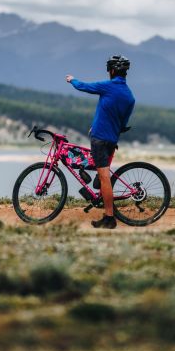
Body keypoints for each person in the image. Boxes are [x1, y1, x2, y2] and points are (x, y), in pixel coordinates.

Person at [66, 55, 135, 229]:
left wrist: (72, 80)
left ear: (111, 71)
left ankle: (109, 218)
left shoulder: (108, 86)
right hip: (111, 138)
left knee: (105, 178)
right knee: (101, 175)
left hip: (99, 139)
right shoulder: (129, 96)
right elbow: (122, 124)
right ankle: (98, 188)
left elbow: (84, 86)